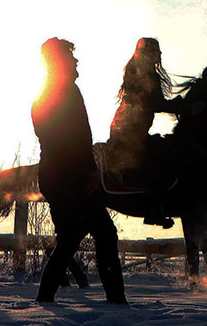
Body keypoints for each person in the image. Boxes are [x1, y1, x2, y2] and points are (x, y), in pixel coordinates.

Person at [31, 37, 126, 304]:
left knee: (71, 239)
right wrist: (90, 172)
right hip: (71, 178)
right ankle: (116, 300)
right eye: (71, 56)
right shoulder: (63, 93)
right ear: (59, 61)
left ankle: (45, 297)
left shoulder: (47, 94)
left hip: (58, 176)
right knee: (102, 234)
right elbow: (72, 141)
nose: (76, 61)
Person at [106, 37, 176, 228]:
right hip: (131, 133)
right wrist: (185, 106)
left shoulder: (135, 70)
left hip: (126, 130)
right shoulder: (145, 74)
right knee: (158, 156)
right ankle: (154, 209)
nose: (159, 56)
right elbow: (158, 103)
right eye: (156, 52)